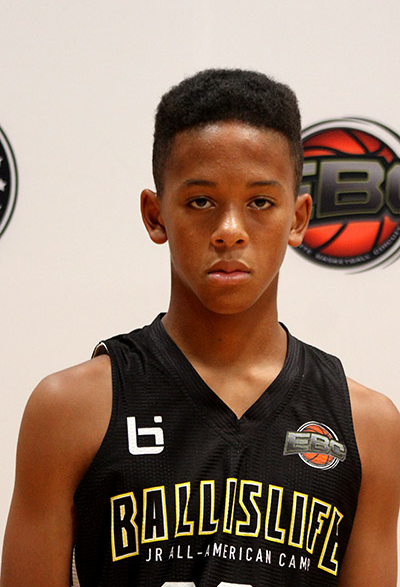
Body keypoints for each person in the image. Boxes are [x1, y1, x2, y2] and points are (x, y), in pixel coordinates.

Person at [1, 69, 399, 587]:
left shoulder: (368, 427)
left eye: (260, 202)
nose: (230, 231)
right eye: (201, 202)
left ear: (299, 218)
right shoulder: (69, 410)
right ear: (155, 215)